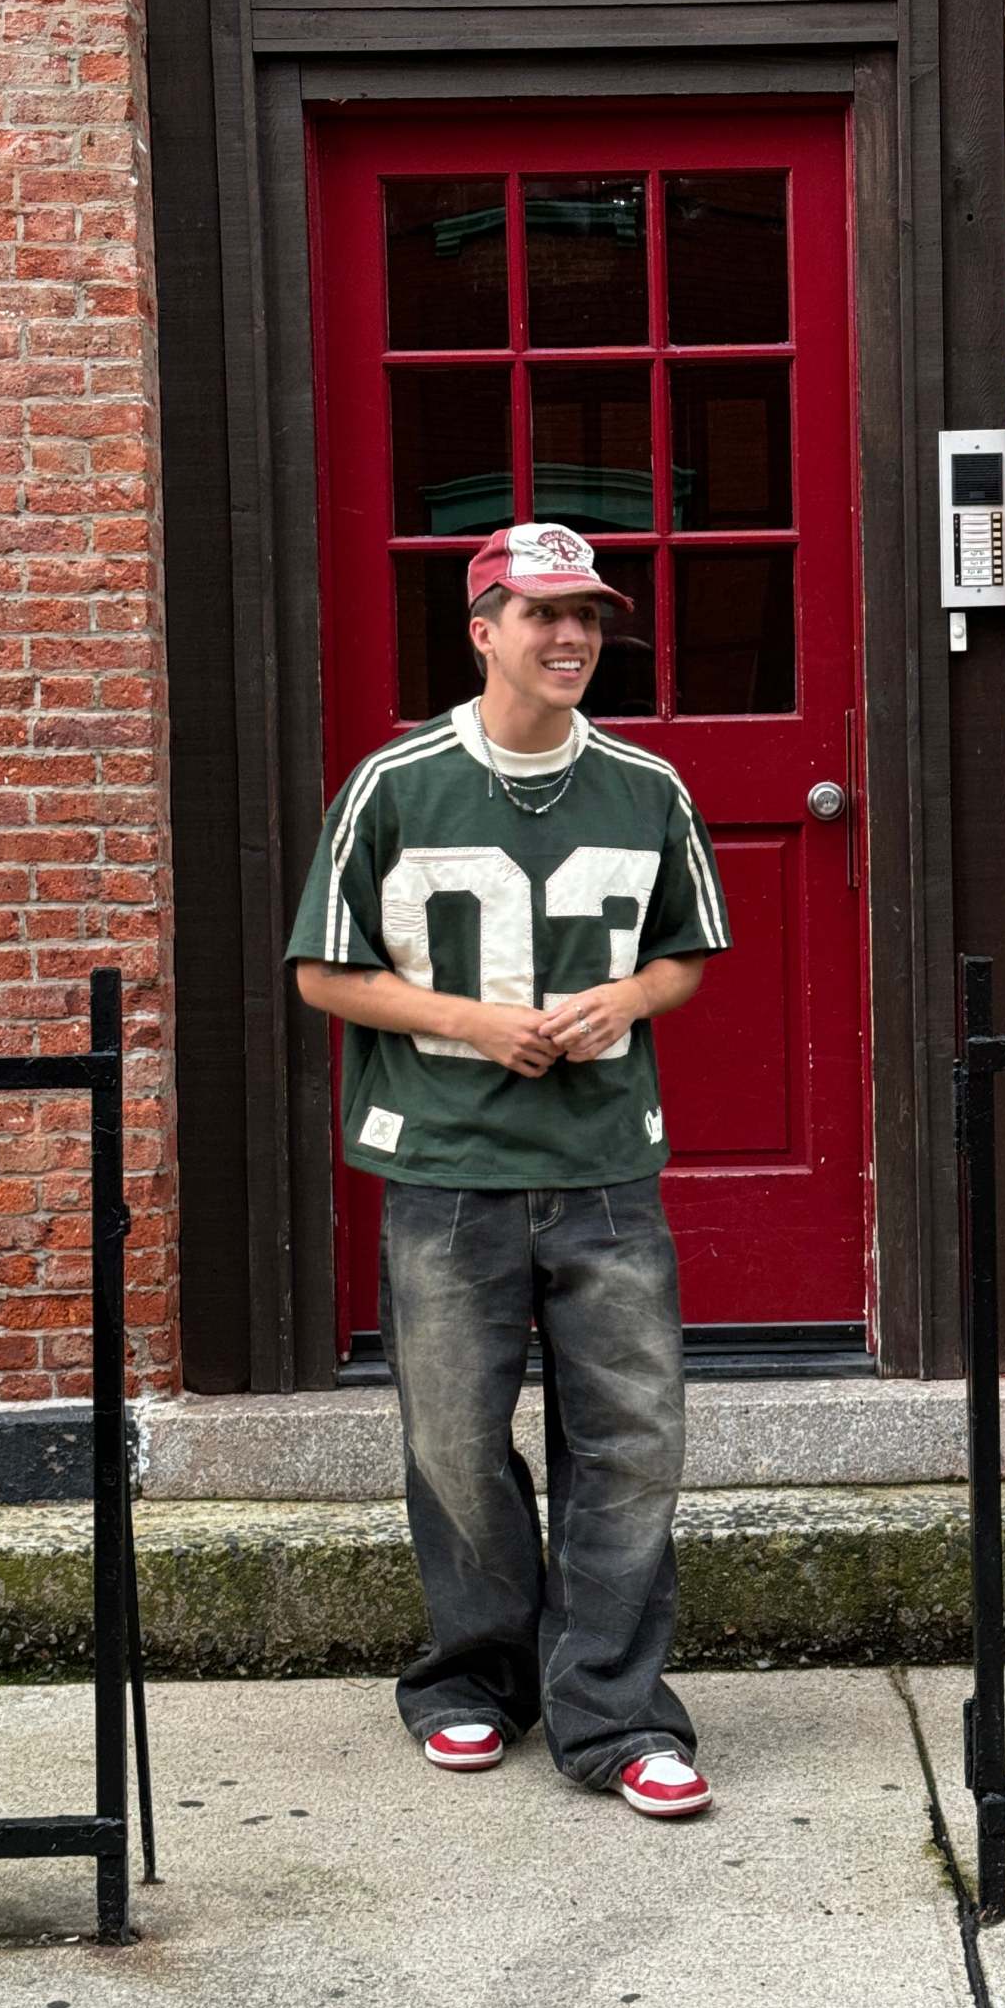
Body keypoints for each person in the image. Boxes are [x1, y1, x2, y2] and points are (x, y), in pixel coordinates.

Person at [286, 522, 731, 1819]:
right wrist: (474, 1024)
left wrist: (624, 998)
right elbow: (321, 972)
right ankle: (475, 1677)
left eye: (586, 616)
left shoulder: (647, 787)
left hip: (604, 1167)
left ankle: (617, 1711)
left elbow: (684, 954)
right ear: (482, 632)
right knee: (455, 1441)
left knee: (633, 1441)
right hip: (443, 1164)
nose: (571, 636)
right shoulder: (394, 785)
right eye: (543, 614)